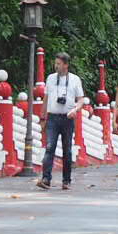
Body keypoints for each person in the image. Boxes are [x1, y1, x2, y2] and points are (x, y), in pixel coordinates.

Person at [36, 51, 84, 190]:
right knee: (49, 147)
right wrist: (43, 117)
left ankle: (66, 180)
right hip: (53, 117)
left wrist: (76, 109)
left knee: (67, 150)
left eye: (59, 64)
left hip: (67, 118)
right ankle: (46, 179)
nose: (56, 66)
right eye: (55, 63)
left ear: (66, 65)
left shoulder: (75, 79)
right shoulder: (50, 78)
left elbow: (81, 99)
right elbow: (46, 98)